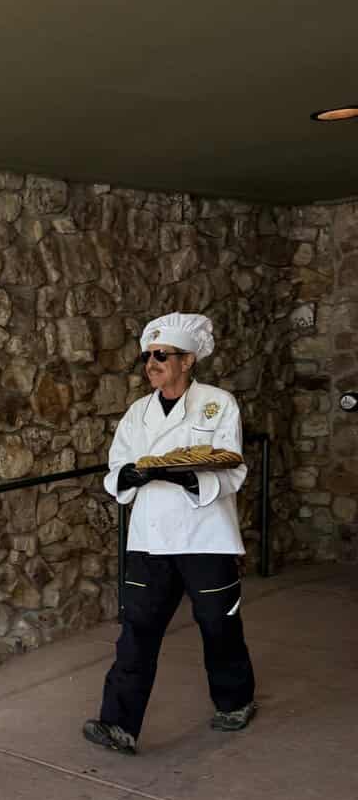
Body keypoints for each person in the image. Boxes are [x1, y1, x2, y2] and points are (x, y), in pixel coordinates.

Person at [83, 312, 257, 755]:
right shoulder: (137, 412)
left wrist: (188, 478)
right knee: (137, 630)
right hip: (150, 538)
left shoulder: (218, 404)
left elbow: (233, 468)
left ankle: (234, 701)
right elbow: (116, 464)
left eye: (163, 356)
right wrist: (131, 478)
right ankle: (118, 724)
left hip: (206, 536)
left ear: (188, 359)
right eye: (149, 356)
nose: (152, 363)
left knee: (218, 624)